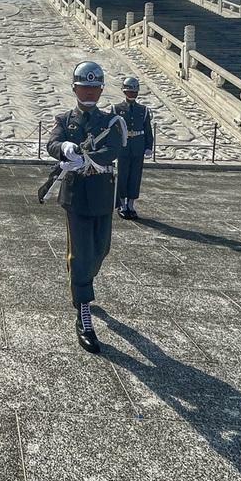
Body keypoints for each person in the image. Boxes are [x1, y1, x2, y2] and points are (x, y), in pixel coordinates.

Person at [46, 61, 127, 353]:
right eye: (84, 87)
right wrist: (64, 148)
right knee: (81, 254)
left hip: (102, 194)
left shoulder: (110, 121)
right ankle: (83, 312)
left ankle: (80, 276)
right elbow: (52, 144)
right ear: (75, 89)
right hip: (76, 196)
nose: (89, 92)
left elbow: (113, 148)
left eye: (94, 87)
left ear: (101, 90)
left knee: (100, 250)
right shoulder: (65, 120)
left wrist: (87, 159)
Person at [111, 76, 154, 219]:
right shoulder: (116, 109)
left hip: (138, 145)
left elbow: (147, 130)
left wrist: (149, 146)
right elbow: (112, 130)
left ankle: (131, 204)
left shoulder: (143, 110)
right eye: (130, 91)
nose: (132, 94)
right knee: (122, 175)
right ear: (124, 91)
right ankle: (122, 204)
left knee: (135, 175)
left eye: (134, 91)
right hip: (123, 146)